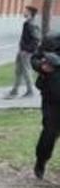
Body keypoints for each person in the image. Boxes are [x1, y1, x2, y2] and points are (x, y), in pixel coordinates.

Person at [32, 39, 60, 179]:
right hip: (52, 98)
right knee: (49, 134)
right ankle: (41, 161)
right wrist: (41, 66)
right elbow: (35, 58)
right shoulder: (52, 40)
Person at [6, 6, 39, 99]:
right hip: (22, 51)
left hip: (26, 53)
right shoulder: (27, 23)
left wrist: (26, 50)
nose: (24, 12)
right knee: (18, 71)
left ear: (30, 13)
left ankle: (30, 91)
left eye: (26, 11)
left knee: (26, 71)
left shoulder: (31, 25)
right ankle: (15, 91)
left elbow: (36, 40)